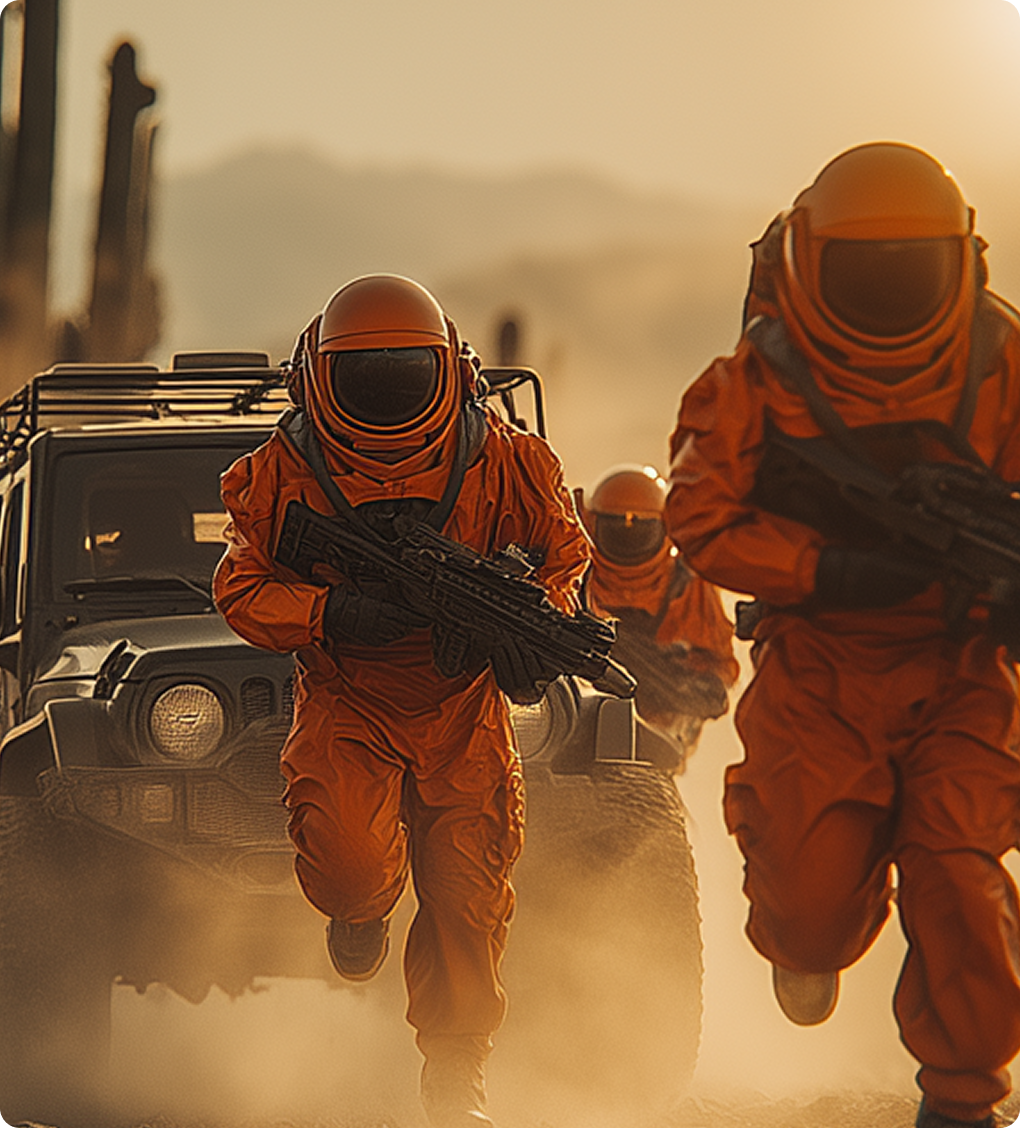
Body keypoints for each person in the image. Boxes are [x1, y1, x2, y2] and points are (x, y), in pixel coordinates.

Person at [666, 142, 1020, 1128]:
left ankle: (964, 1099)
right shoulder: (755, 380)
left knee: (958, 867)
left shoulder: (1001, 361)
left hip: (963, 663)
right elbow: (699, 519)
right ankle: (803, 942)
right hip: (820, 671)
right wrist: (829, 570)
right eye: (868, 265)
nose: (891, 285)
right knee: (806, 915)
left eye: (913, 264)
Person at [213, 273, 590, 1128]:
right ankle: (360, 911)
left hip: (463, 711)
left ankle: (456, 1075)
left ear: (449, 371)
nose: (387, 390)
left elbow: (564, 557)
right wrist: (330, 609)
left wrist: (535, 625)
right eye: (368, 375)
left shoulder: (510, 462)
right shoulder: (285, 472)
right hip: (350, 700)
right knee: (347, 863)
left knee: (468, 895)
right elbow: (240, 587)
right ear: (323, 377)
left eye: (404, 374)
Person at [575, 463, 739, 772]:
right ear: (592, 524)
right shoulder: (574, 571)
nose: (629, 531)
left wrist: (677, 680)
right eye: (618, 525)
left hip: (660, 731)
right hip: (580, 718)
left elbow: (719, 669)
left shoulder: (688, 583)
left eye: (640, 526)